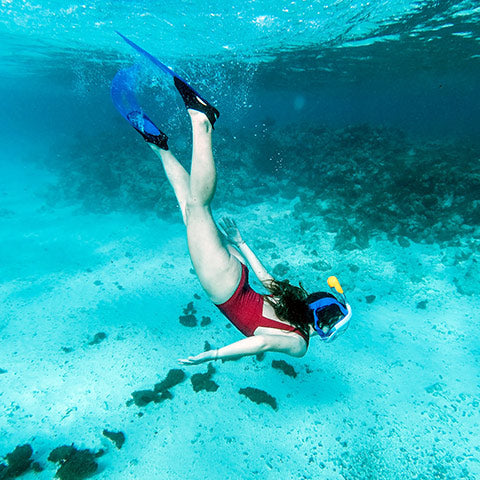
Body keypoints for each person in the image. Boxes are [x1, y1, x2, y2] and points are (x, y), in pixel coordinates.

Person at [111, 36, 352, 366]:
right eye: (333, 324)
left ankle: (159, 145)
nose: (330, 329)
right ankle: (202, 120)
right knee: (198, 207)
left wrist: (240, 242)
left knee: (189, 210)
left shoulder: (293, 304)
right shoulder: (299, 344)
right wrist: (213, 355)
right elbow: (260, 343)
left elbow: (266, 279)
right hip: (224, 285)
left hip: (235, 275)